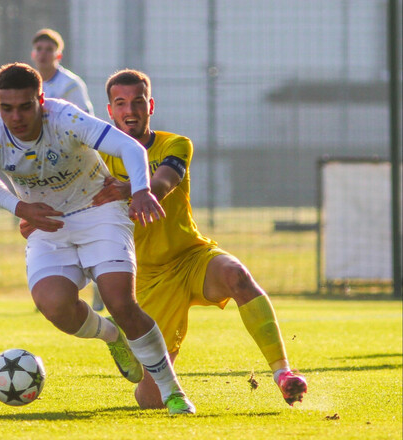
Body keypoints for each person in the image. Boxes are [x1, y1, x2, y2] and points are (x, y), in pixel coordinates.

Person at [0, 62, 195, 415]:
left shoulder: (66, 119)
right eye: (7, 108)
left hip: (97, 210)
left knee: (120, 300)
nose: (16, 116)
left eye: (25, 106)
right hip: (49, 224)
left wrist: (139, 190)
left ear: (40, 100)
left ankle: (172, 391)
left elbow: (132, 150)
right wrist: (19, 207)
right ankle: (113, 337)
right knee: (55, 306)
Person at [93, 69, 308, 409]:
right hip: (145, 280)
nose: (129, 110)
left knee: (237, 275)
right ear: (109, 110)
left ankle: (283, 373)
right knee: (152, 401)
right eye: (120, 103)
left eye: (137, 102)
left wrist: (134, 189)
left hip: (190, 257)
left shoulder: (175, 144)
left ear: (151, 105)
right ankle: (126, 345)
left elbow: (164, 183)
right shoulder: (96, 158)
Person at [30, 28, 103, 311]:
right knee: (47, 228)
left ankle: (100, 288)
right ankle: (47, 291)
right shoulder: (29, 84)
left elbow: (84, 123)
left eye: (49, 49)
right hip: (41, 172)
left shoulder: (70, 84)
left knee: (86, 227)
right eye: (39, 48)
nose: (43, 53)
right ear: (33, 53)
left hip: (74, 169)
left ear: (58, 55)